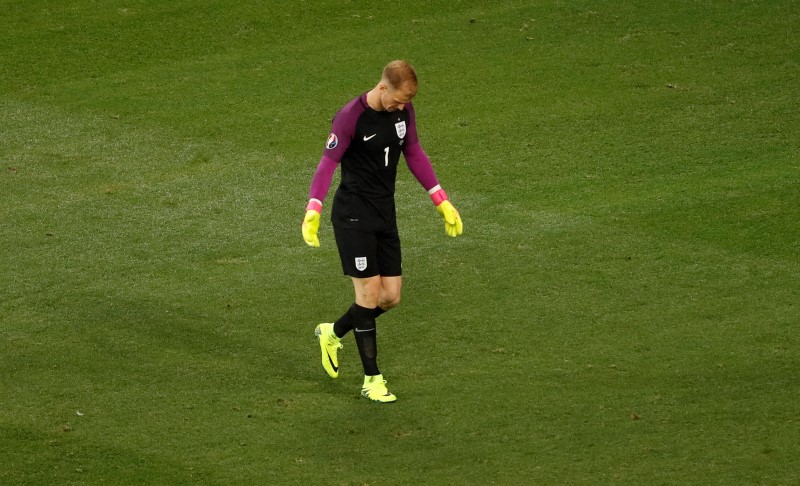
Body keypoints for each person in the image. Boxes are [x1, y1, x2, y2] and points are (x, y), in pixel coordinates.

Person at [301, 60, 463, 403]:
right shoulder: (349, 117)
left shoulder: (404, 113)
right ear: (383, 87)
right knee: (369, 295)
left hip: (384, 216)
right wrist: (313, 208)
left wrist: (441, 200)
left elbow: (414, 152)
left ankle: (333, 332)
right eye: (398, 100)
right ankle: (372, 379)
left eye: (406, 102)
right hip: (352, 218)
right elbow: (327, 163)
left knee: (391, 297)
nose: (401, 107)